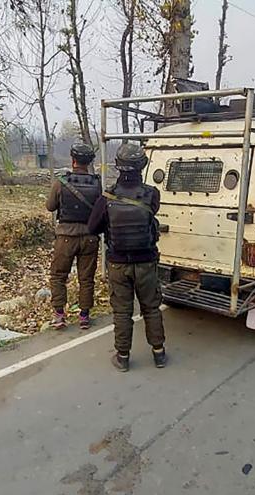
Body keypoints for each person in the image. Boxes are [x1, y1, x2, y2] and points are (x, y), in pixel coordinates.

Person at [88, 143, 166, 371]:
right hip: (146, 262)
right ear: (142, 166)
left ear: (119, 167)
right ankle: (159, 354)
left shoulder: (107, 197)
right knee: (151, 308)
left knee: (122, 311)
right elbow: (151, 213)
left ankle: (122, 357)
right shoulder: (152, 194)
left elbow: (92, 227)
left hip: (118, 263)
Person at [46, 143, 102, 330]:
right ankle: (84, 316)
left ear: (73, 160)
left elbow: (50, 206)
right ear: (90, 161)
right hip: (90, 237)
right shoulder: (97, 183)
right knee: (86, 278)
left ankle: (60, 315)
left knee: (58, 275)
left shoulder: (61, 182)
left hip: (66, 237)